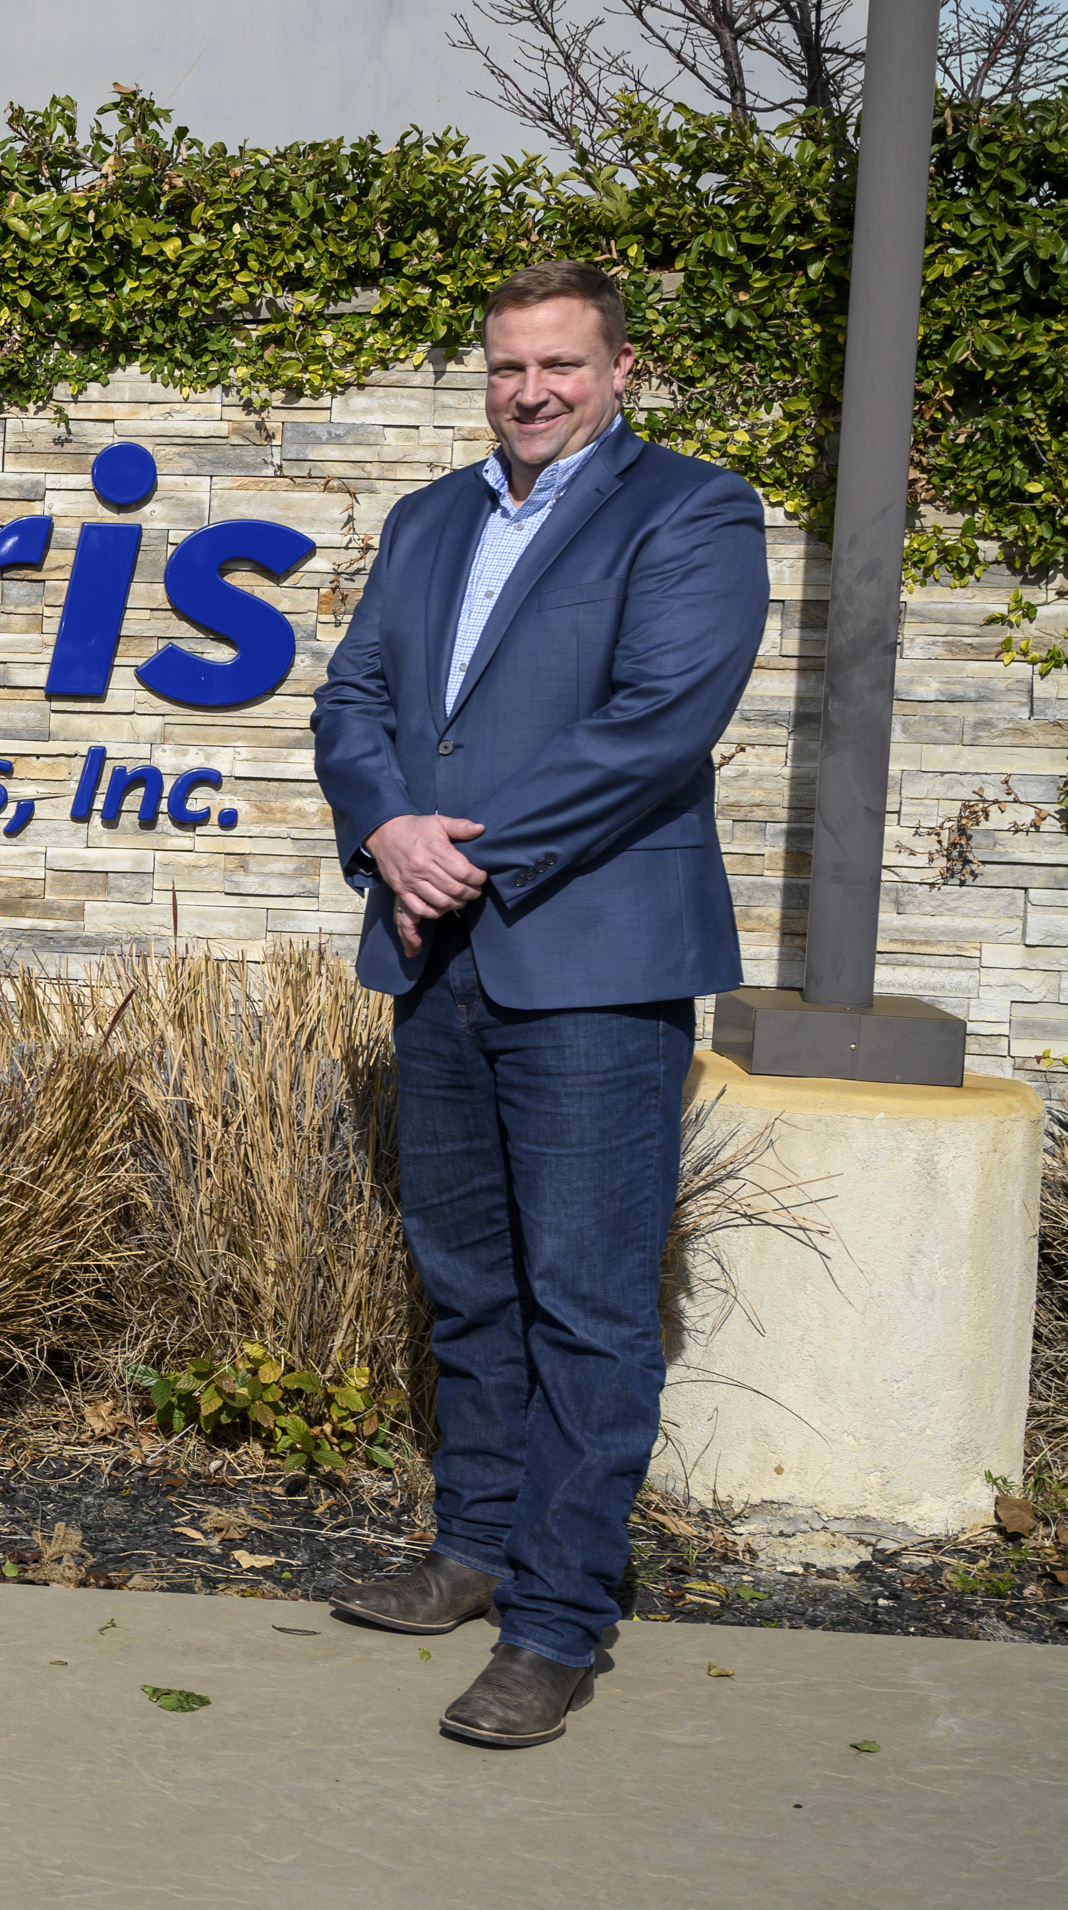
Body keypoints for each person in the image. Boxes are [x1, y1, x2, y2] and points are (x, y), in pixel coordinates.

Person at [310, 260, 769, 1749]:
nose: (531, 391)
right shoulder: (433, 518)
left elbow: (657, 725)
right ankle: (473, 1545)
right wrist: (386, 828)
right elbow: (354, 701)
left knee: (584, 1297)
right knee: (468, 1274)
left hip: (590, 961)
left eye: (561, 365)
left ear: (621, 370)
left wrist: (461, 854)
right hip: (436, 952)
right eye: (509, 366)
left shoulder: (692, 512)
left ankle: (558, 1619)